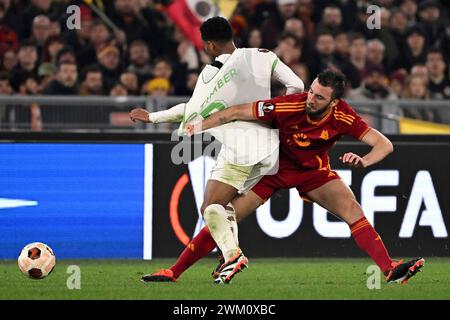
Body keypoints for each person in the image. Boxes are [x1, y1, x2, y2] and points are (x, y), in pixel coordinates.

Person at [152, 70, 424, 285]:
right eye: (312, 91)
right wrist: (198, 126)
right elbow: (234, 112)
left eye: (319, 97)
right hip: (273, 171)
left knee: (352, 210)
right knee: (223, 215)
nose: (311, 98)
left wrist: (364, 160)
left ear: (334, 102)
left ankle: (389, 269)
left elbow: (384, 144)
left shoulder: (344, 116)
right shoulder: (286, 106)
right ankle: (174, 272)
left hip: (313, 173)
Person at [129, 16, 304, 284]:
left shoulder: (211, 75)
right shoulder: (262, 54)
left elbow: (189, 111)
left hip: (241, 149)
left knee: (211, 208)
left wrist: (152, 117)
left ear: (209, 45)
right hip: (271, 149)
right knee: (225, 211)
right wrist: (273, 112)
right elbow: (297, 87)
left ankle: (233, 255)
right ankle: (217, 259)